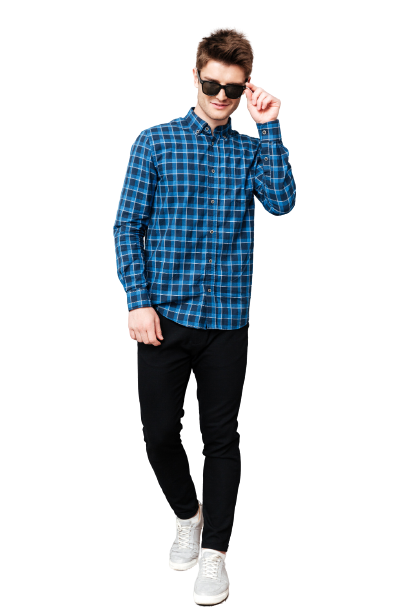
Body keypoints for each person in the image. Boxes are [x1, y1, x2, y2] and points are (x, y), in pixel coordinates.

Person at [113, 26, 295, 606]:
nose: (220, 97)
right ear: (194, 75)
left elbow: (281, 202)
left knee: (221, 439)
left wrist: (269, 127)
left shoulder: (252, 148)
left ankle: (215, 553)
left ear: (246, 89)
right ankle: (186, 517)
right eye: (212, 84)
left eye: (233, 89)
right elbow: (126, 227)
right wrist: (138, 300)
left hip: (227, 321)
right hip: (162, 318)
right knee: (161, 436)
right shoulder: (154, 142)